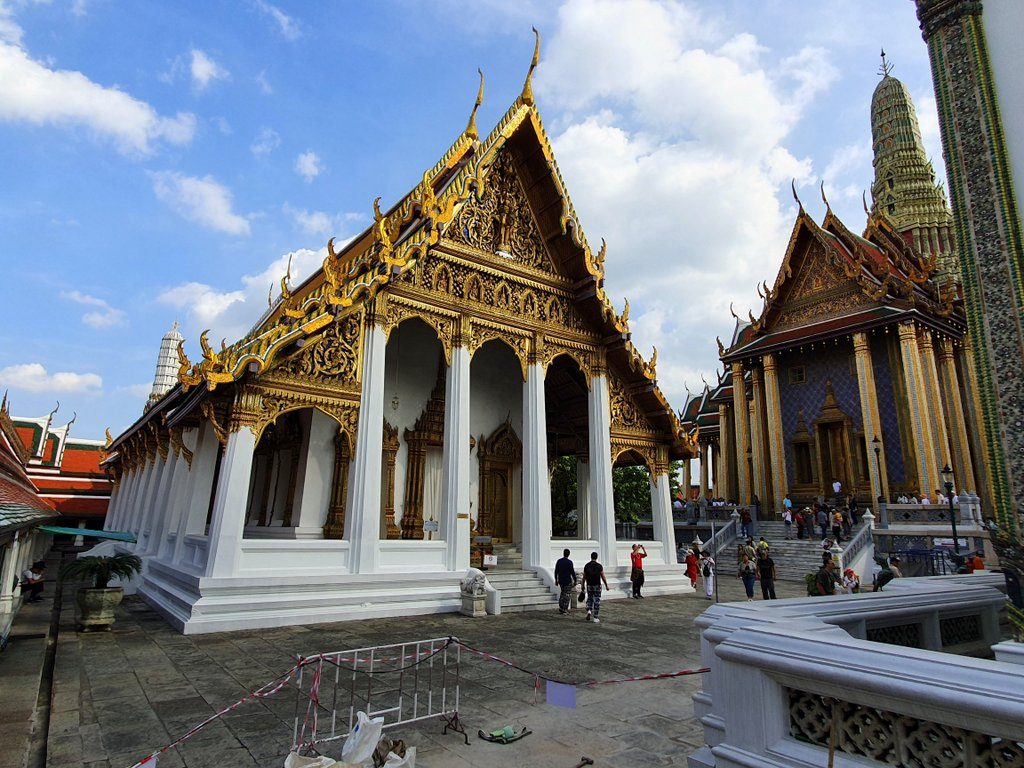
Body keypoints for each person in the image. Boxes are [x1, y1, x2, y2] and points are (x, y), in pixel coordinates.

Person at [583, 552, 609, 623]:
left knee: (590, 598)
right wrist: (606, 585)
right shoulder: (599, 566)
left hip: (589, 585)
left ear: (591, 557)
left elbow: (584, 577)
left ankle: (589, 610)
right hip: (597, 585)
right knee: (596, 600)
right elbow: (603, 576)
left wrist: (582, 585)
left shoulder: (587, 565)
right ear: (596, 557)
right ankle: (595, 617)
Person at [554, 549, 577, 614]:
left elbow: (556, 571)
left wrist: (556, 579)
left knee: (562, 593)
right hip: (567, 581)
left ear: (563, 553)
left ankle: (561, 607)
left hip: (561, 580)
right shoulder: (569, 562)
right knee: (567, 595)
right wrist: (575, 580)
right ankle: (564, 609)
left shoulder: (559, 561)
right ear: (569, 554)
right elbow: (572, 572)